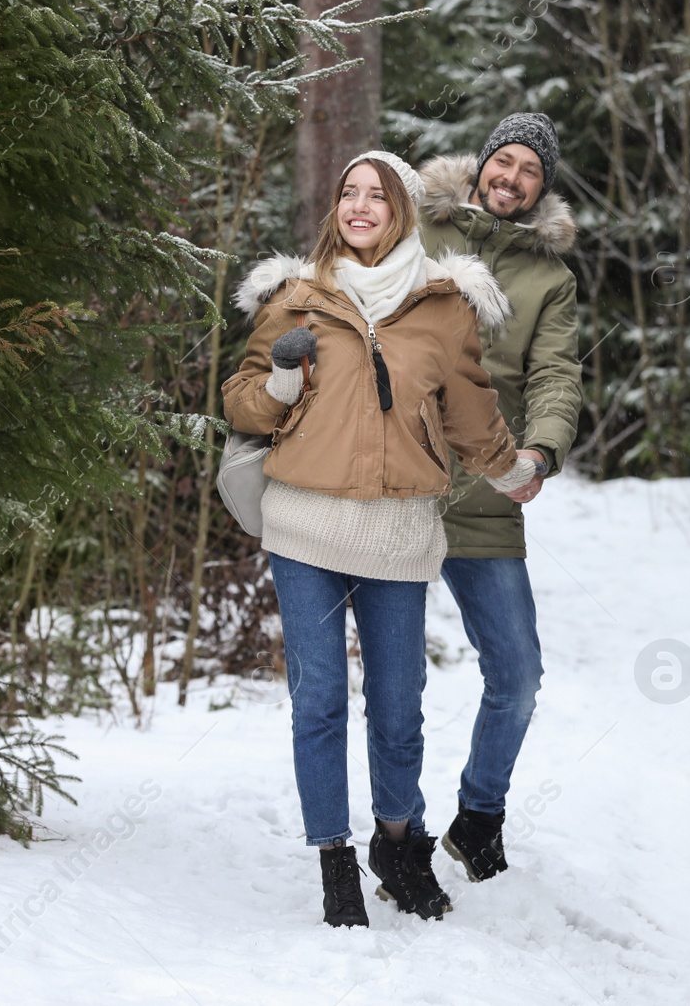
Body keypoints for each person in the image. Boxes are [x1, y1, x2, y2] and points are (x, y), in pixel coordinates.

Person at [222, 151, 538, 928]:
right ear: (336, 208)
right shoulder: (294, 297)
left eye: (378, 195)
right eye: (349, 194)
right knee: (321, 698)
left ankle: (397, 843)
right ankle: (335, 860)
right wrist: (281, 384)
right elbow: (241, 404)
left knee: (399, 706)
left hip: (398, 535)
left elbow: (470, 412)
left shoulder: (442, 305)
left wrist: (509, 469)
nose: (361, 206)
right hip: (303, 526)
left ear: (402, 210)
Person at [416, 114, 583, 883]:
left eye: (529, 171)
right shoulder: (419, 228)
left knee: (516, 675)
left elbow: (555, 375)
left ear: (541, 189)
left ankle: (480, 816)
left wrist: (541, 448)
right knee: (393, 676)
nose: (511, 177)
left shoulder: (549, 279)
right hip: (399, 481)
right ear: (482, 164)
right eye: (504, 161)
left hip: (485, 488)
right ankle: (397, 829)